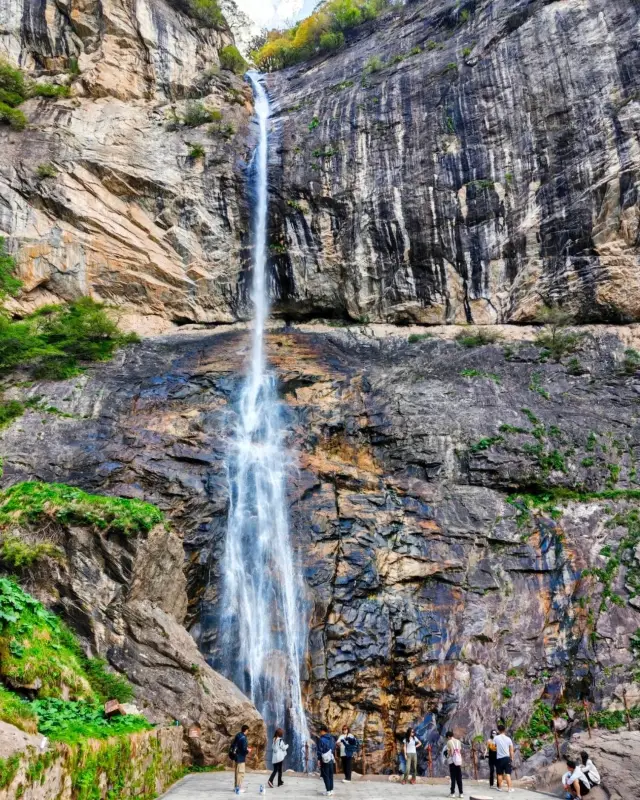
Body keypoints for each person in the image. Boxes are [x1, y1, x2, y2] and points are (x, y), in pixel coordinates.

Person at [230, 724, 251, 794]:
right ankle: (239, 788)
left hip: (236, 757)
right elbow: (244, 749)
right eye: (248, 730)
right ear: (246, 730)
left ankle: (236, 787)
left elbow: (235, 745)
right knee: (241, 773)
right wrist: (248, 750)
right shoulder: (244, 738)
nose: (248, 732)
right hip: (241, 758)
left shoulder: (238, 735)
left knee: (237, 773)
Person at [494, 723, 514, 793]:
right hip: (506, 758)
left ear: (498, 730)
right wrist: (512, 758)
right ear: (504, 730)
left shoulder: (496, 738)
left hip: (499, 759)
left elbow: (494, 747)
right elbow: (511, 750)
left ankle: (499, 788)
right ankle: (509, 789)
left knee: (499, 774)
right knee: (507, 774)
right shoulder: (508, 739)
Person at [444, 730, 463, 798]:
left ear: (448, 736)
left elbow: (451, 752)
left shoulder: (449, 742)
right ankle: (461, 793)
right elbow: (459, 751)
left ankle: (452, 793)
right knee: (459, 777)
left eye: (447, 737)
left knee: (453, 777)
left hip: (452, 762)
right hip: (458, 761)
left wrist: (447, 755)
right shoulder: (458, 741)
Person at [317, 725, 336, 797]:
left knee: (326, 775)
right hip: (331, 757)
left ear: (322, 731)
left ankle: (328, 791)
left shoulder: (321, 739)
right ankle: (331, 790)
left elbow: (319, 751)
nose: (320, 733)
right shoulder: (332, 738)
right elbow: (333, 747)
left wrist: (319, 759)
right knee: (331, 775)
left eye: (320, 731)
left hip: (324, 759)